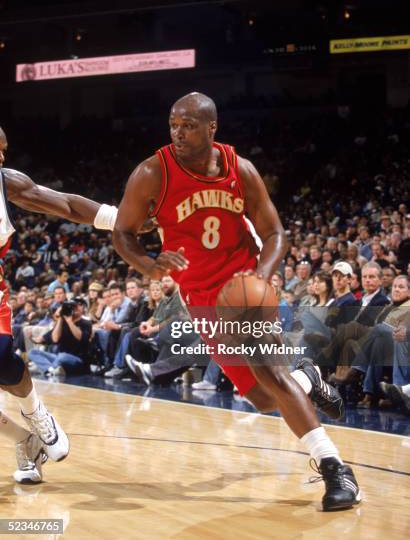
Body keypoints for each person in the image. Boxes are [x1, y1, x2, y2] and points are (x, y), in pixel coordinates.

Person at [112, 92, 360, 511]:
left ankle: (335, 468)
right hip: (202, 299)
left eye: (188, 125)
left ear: (212, 128)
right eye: (173, 124)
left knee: (271, 376)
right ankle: (309, 379)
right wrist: (150, 264)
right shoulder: (152, 172)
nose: (178, 132)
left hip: (243, 285)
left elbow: (275, 232)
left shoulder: (240, 170)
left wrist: (260, 277)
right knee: (263, 398)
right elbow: (123, 233)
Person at [0, 125, 117, 483]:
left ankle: (36, 414)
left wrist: (116, 219)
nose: (2, 157)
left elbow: (64, 203)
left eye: (4, 150)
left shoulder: (7, 182)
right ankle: (28, 442)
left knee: (0, 356)